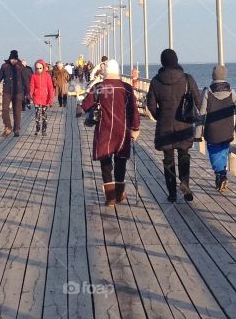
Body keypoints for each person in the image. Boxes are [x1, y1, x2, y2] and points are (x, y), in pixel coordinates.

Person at [79, 59, 140, 205]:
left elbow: (86, 105)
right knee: (120, 162)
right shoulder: (126, 88)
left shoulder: (99, 87)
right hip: (122, 130)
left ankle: (110, 198)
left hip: (104, 129)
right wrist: (135, 128)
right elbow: (133, 110)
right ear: (118, 71)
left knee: (106, 163)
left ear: (105, 72)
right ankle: (119, 194)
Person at [146, 48, 201, 203]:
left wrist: (159, 116)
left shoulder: (156, 81)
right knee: (184, 155)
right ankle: (185, 185)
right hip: (183, 126)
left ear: (162, 62)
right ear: (176, 61)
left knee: (168, 159)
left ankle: (171, 193)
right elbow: (198, 101)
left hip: (165, 127)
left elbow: (150, 105)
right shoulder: (187, 79)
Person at [198, 66, 236, 192]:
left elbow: (202, 113)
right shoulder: (232, 92)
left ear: (213, 76)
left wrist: (197, 132)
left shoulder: (208, 92)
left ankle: (221, 175)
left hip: (212, 129)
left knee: (214, 151)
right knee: (223, 151)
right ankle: (221, 176)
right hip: (227, 129)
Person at [0, 49, 30, 136]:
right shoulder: (4, 66)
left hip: (18, 92)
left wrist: (27, 93)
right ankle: (8, 126)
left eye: (15, 59)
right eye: (12, 59)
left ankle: (17, 129)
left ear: (17, 59)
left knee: (17, 111)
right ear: (9, 58)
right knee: (4, 110)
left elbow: (26, 81)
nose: (13, 61)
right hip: (7, 91)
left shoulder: (21, 67)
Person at [29, 58, 55, 133]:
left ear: (43, 67)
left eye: (40, 68)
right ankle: (37, 128)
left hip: (45, 98)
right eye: (37, 68)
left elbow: (50, 87)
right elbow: (32, 86)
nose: (38, 70)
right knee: (37, 114)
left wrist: (50, 99)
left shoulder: (47, 76)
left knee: (44, 114)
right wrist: (30, 94)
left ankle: (44, 129)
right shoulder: (34, 76)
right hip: (36, 97)